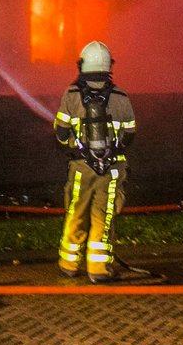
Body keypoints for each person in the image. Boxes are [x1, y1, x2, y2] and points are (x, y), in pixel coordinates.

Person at [54, 40, 136, 282]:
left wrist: (76, 149)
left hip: (80, 168)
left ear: (82, 65)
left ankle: (68, 264)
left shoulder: (70, 95)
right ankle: (98, 270)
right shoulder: (121, 97)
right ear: (109, 66)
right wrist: (112, 153)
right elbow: (130, 133)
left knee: (76, 212)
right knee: (104, 215)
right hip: (110, 170)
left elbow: (61, 132)